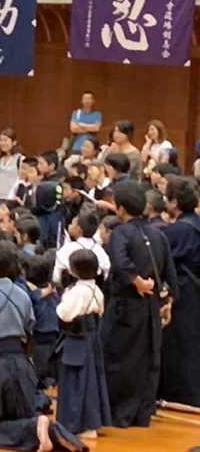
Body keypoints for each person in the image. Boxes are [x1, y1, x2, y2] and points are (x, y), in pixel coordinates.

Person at [0, 241, 87, 451]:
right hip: (22, 367)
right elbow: (30, 331)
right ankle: (47, 429)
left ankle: (37, 426)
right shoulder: (23, 295)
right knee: (17, 417)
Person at [102, 181, 176, 428]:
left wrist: (136, 281)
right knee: (147, 359)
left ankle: (119, 414)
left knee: (119, 359)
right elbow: (169, 272)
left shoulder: (122, 232)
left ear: (120, 208)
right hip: (152, 306)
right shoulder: (158, 233)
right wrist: (168, 301)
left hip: (126, 305)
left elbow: (119, 261)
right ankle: (142, 414)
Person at [55, 249, 111, 438]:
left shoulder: (77, 291)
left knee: (75, 381)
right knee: (91, 380)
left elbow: (64, 313)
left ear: (74, 270)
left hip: (76, 339)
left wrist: (65, 295)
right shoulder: (97, 290)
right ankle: (91, 422)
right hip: (92, 339)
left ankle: (76, 424)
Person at [157, 175, 200, 407]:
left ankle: (182, 395)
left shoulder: (176, 231)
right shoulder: (196, 224)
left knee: (179, 343)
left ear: (173, 202)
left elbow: (161, 261)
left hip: (184, 291)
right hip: (195, 289)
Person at [0, 128, 23, 201]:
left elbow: (21, 180)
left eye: (5, 140)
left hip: (10, 197)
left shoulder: (20, 159)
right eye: (1, 140)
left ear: (14, 142)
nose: (2, 143)